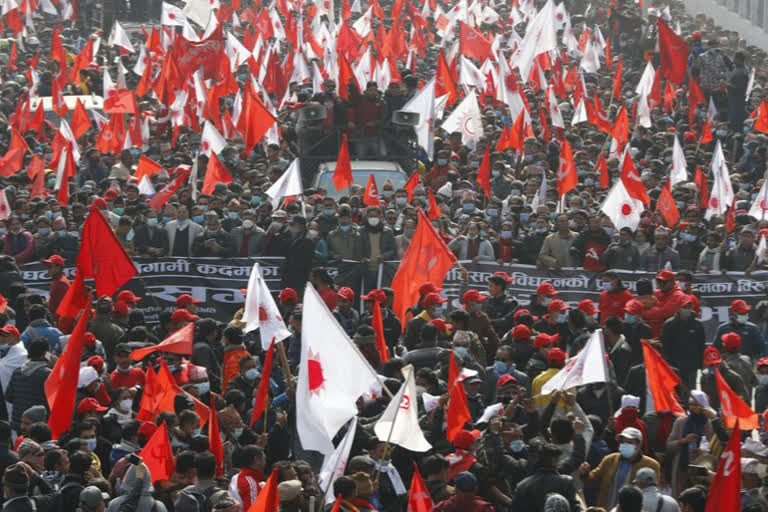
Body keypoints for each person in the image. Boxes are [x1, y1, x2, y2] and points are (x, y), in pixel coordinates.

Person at [580, 427, 660, 510]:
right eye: (622, 442)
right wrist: (585, 474)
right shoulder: (610, 459)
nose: (625, 445)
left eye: (629, 442)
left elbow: (652, 491)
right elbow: (593, 479)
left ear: (639, 444)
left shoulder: (651, 465)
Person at [5, 339, 50, 434]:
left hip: (19, 423)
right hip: (38, 426)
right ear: (45, 354)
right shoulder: (48, 374)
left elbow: (9, 396)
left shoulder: (17, 372)